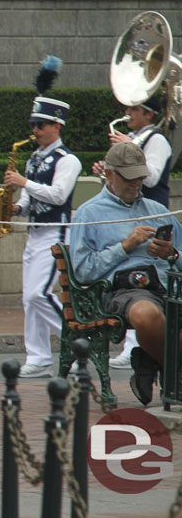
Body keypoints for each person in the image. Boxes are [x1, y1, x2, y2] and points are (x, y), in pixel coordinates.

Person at [70, 141, 182, 405]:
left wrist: (172, 254)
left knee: (158, 315)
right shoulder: (89, 214)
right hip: (125, 290)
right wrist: (124, 247)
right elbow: (83, 272)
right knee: (146, 314)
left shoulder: (158, 211)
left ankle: (152, 359)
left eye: (141, 178)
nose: (137, 185)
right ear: (109, 174)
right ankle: (167, 367)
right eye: (130, 178)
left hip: (168, 285)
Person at [5, 57, 81, 378]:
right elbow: (29, 197)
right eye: (33, 125)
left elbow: (59, 195)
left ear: (57, 126)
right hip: (34, 233)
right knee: (28, 298)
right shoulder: (34, 158)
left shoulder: (68, 160)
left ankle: (78, 344)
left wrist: (25, 184)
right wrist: (16, 207)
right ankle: (38, 357)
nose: (35, 130)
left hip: (55, 233)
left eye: (41, 125)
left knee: (39, 294)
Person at [97, 95, 173, 369]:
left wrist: (130, 147)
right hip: (127, 235)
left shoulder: (157, 140)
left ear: (149, 114)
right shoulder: (133, 138)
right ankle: (148, 355)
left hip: (153, 218)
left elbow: (150, 177)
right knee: (139, 291)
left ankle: (149, 357)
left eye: (134, 108)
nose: (127, 112)